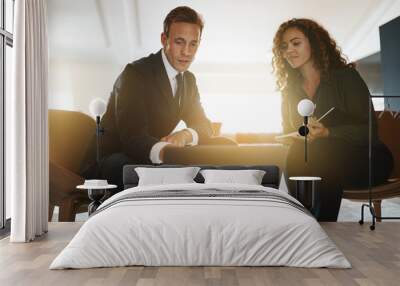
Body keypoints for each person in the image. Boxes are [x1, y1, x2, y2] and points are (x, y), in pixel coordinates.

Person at [272, 18, 393, 221]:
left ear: (313, 43)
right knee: (297, 153)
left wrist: (328, 132)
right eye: (284, 47)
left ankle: (321, 226)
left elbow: (369, 132)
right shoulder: (289, 91)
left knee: (323, 150)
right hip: (323, 163)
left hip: (368, 159)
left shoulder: (346, 77)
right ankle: (305, 222)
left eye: (296, 43)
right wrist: (296, 136)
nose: (289, 50)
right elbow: (290, 130)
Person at [82, 6, 213, 190]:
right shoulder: (135, 74)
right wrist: (169, 154)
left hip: (148, 154)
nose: (187, 52)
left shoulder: (189, 81)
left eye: (193, 44)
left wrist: (186, 135)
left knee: (220, 148)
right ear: (164, 39)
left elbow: (204, 125)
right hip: (112, 158)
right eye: (179, 42)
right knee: (152, 171)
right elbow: (132, 138)